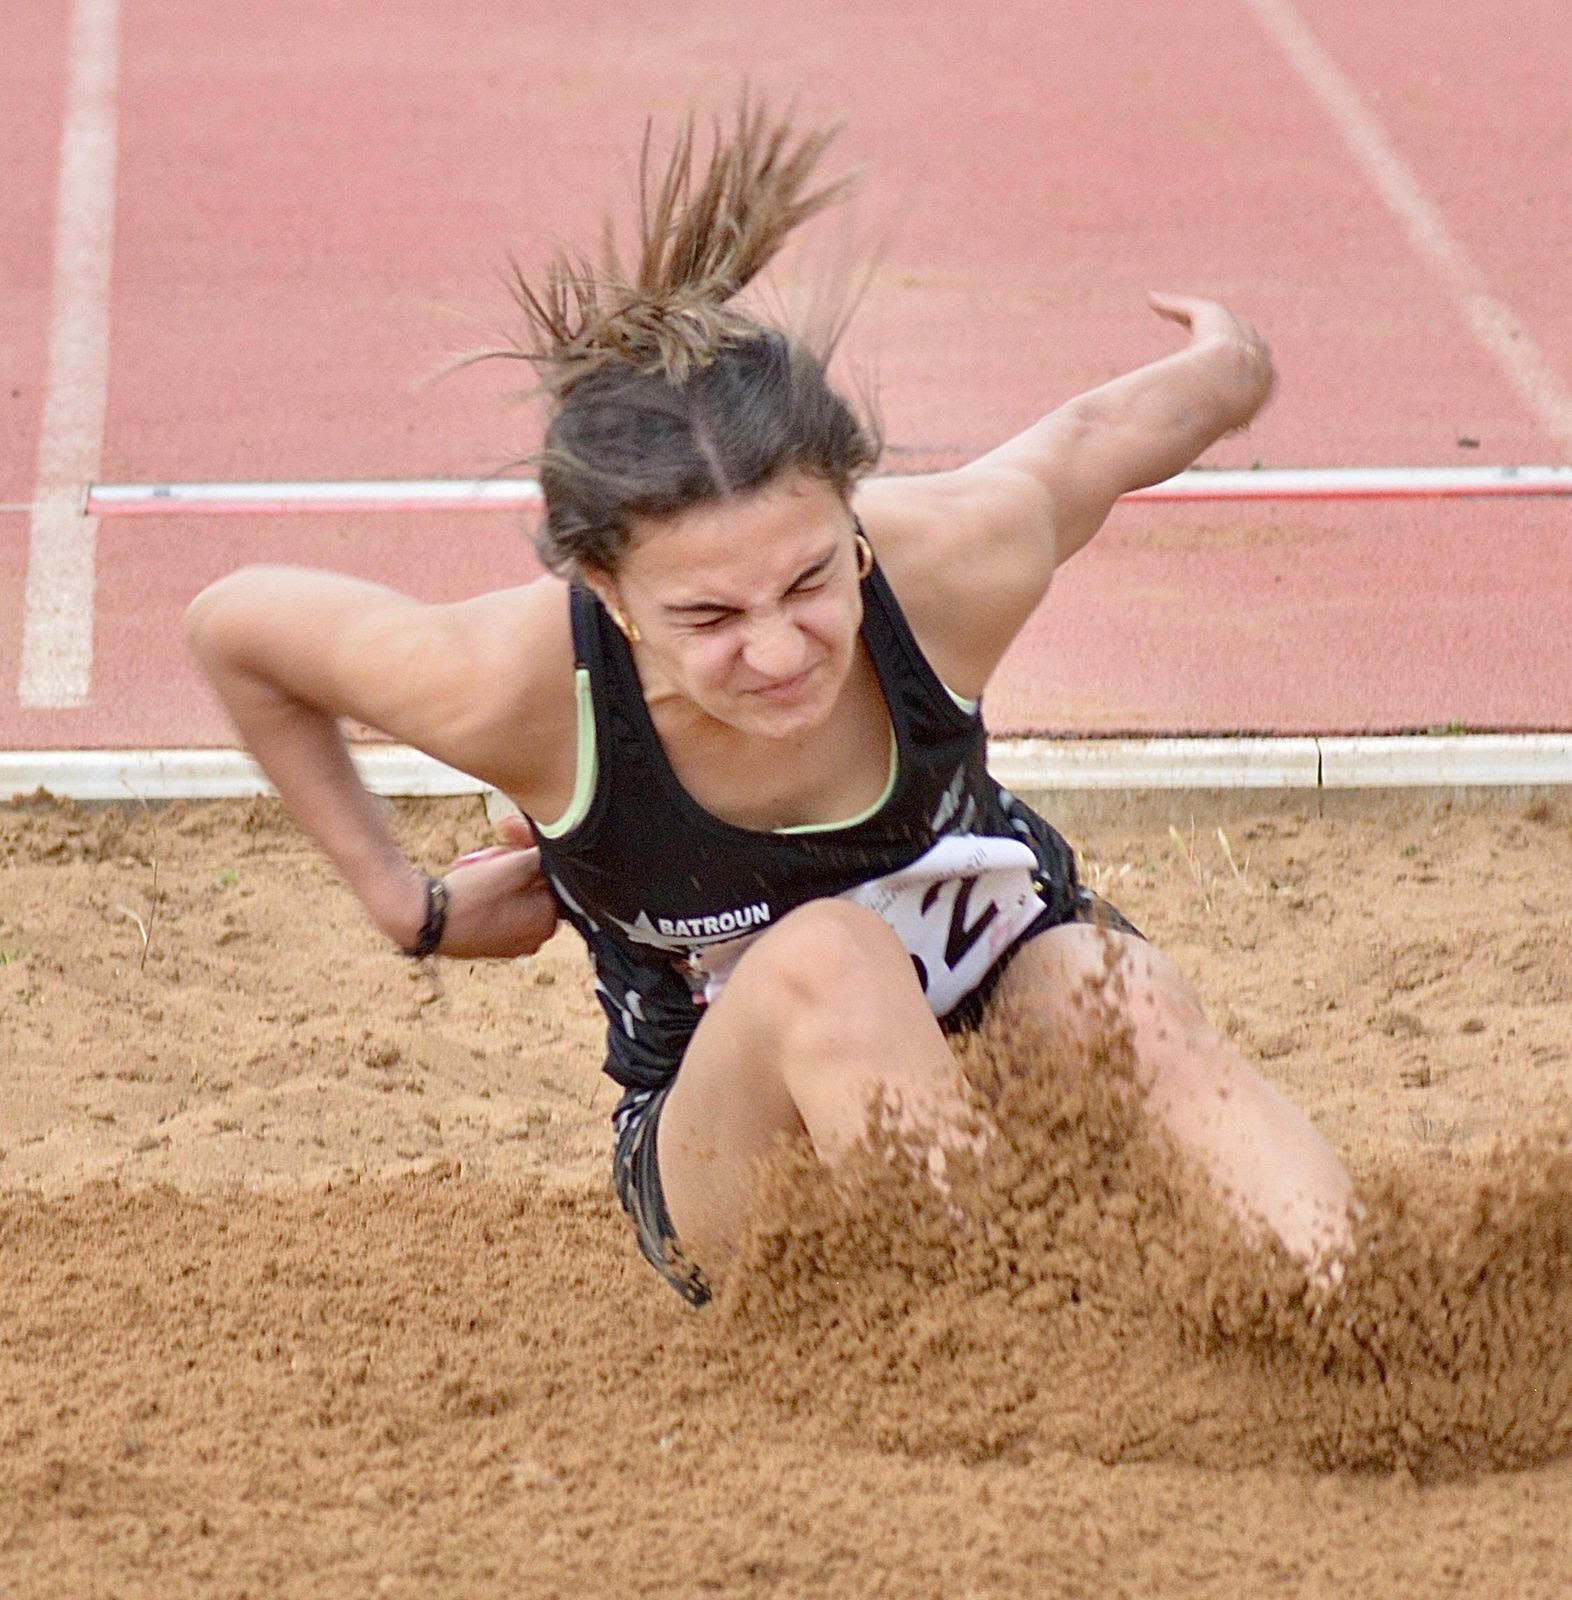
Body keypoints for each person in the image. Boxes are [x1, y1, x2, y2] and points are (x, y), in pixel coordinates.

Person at [185, 101, 1352, 1307]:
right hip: (742, 1161)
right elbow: (235, 627)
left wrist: (1238, 358)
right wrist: (409, 906)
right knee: (825, 961)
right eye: (709, 618)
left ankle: (1359, 1315)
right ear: (609, 591)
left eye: (807, 580)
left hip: (1013, 1042)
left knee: (1123, 994)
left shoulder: (948, 564)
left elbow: (1110, 432)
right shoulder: (517, 686)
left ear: (853, 516)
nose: (781, 651)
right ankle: (1014, 1351)